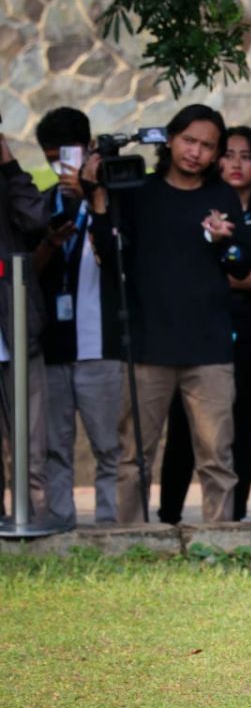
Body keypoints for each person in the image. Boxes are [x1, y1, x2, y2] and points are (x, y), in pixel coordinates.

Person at [87, 104, 251, 524]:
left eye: (207, 146)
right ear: (171, 140)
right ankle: (131, 543)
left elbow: (241, 263)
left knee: (216, 457)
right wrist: (98, 197)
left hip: (209, 347)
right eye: (189, 141)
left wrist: (224, 242)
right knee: (133, 457)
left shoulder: (221, 197)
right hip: (147, 347)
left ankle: (218, 542)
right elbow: (110, 255)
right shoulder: (138, 191)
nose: (196, 152)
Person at [158, 126, 251, 523]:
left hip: (248, 332)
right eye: (227, 154)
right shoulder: (201, 203)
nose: (235, 163)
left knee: (238, 428)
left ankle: (234, 518)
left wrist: (201, 272)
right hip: (196, 328)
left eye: (246, 156)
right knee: (181, 429)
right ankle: (168, 517)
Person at [33, 108, 122, 526]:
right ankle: (60, 526)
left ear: (88, 149)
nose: (60, 166)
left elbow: (121, 258)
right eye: (52, 158)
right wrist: (51, 243)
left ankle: (111, 530)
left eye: (67, 155)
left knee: (110, 449)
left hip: (101, 345)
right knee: (55, 448)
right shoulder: (41, 204)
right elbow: (25, 272)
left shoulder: (114, 198)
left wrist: (93, 196)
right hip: (51, 347)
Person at [0, 121, 50, 519]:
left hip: (15, 327)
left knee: (31, 449)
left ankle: (31, 529)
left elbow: (36, 221)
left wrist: (9, 166)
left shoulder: (9, 182)